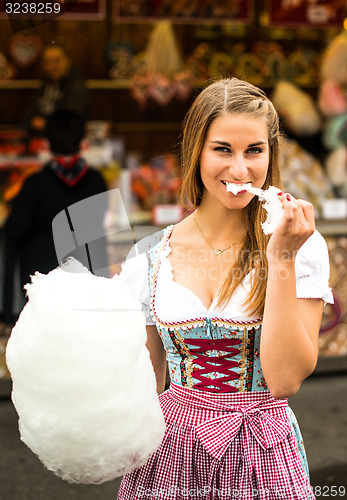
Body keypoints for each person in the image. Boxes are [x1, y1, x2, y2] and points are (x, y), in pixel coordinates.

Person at [118, 78, 333, 500]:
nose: (240, 170)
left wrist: (282, 257)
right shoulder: (149, 256)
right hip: (169, 455)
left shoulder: (301, 245)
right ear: (196, 149)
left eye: (254, 150)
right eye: (222, 149)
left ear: (271, 155)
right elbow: (142, 387)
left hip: (264, 456)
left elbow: (285, 379)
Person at [4, 109, 108, 304]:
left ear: (47, 143)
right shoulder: (96, 180)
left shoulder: (35, 183)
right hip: (86, 273)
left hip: (43, 276)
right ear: (81, 142)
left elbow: (16, 227)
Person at [23, 43, 89, 136]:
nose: (52, 66)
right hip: (39, 140)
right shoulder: (44, 85)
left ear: (67, 60)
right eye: (48, 61)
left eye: (57, 60)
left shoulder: (76, 86)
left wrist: (45, 124)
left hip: (65, 144)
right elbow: (28, 118)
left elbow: (71, 122)